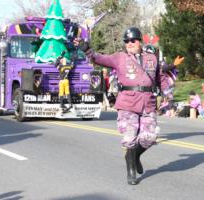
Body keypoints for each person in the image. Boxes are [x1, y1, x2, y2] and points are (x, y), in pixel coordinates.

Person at [75, 27, 184, 185]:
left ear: (139, 41)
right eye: (127, 41)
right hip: (127, 102)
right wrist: (87, 49)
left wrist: (169, 96)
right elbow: (99, 58)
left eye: (133, 40)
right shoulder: (119, 58)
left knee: (150, 136)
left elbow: (160, 78)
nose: (130, 43)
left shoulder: (152, 58)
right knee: (130, 139)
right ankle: (131, 170)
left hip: (148, 102)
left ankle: (133, 156)